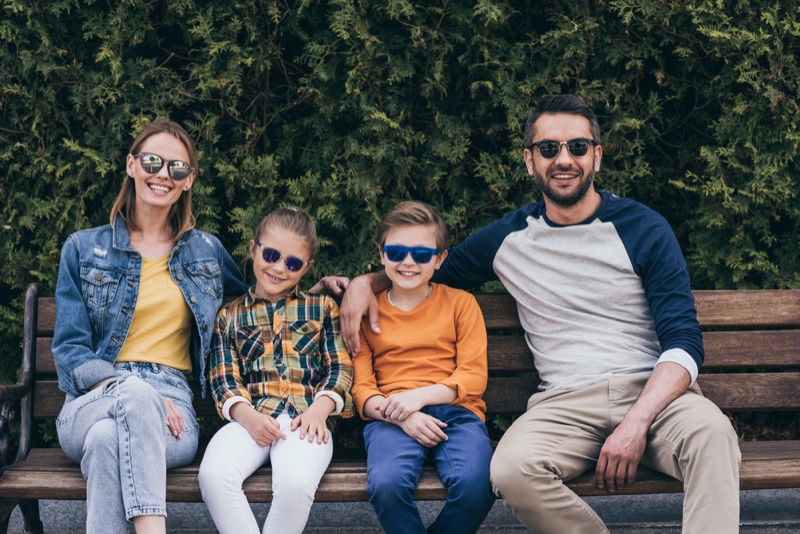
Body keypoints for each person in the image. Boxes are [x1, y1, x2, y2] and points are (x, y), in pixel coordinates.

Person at [339, 95, 741, 533]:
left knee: (713, 435)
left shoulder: (644, 228)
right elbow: (424, 269)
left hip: (653, 396)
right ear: (530, 161)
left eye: (577, 147)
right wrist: (365, 283)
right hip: (564, 405)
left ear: (597, 156)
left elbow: (684, 341)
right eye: (549, 149)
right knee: (510, 470)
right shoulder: (507, 238)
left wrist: (636, 422)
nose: (563, 159)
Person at [52, 118, 250, 534]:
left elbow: (260, 299)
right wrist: (127, 388)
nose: (163, 175)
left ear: (189, 179)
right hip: (91, 401)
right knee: (132, 400)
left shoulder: (207, 251)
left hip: (173, 410)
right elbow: (70, 350)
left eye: (177, 168)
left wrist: (362, 284)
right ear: (131, 164)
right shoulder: (83, 248)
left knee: (108, 441)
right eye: (153, 162)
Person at [198, 207, 354, 534]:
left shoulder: (322, 308)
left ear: (307, 267)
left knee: (297, 483)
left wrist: (319, 412)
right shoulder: (229, 316)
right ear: (254, 249)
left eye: (293, 263)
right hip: (251, 415)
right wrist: (249, 418)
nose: (279, 268)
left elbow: (339, 366)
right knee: (213, 475)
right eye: (271, 254)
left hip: (307, 419)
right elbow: (224, 378)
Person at [351, 201, 496, 534]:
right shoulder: (367, 314)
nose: (408, 262)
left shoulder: (461, 304)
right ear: (382, 254)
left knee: (477, 484)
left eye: (421, 254)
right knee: (387, 485)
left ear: (440, 259)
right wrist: (404, 414)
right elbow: (362, 390)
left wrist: (417, 398)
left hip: (457, 413)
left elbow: (472, 377)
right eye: (397, 251)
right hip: (390, 417)